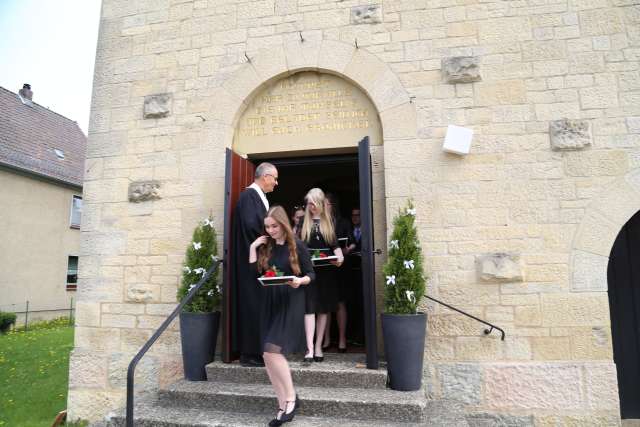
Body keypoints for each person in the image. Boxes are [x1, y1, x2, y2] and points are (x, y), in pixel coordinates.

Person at [249, 206, 314, 426]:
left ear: (283, 224)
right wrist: (253, 247)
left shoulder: (298, 245)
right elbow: (256, 274)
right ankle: (282, 404)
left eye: (274, 226)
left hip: (291, 301)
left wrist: (299, 281)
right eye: (267, 227)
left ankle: (291, 399)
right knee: (267, 356)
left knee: (272, 350)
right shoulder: (266, 247)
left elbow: (311, 274)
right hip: (270, 303)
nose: (270, 230)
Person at [231, 162, 279, 367]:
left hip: (257, 260)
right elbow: (252, 226)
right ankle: (250, 354)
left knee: (260, 306)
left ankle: (259, 350)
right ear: (265, 176)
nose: (276, 183)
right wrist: (272, 239)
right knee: (253, 305)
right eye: (275, 178)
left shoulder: (257, 197)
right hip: (251, 263)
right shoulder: (249, 196)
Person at [300, 188, 344, 363]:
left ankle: (318, 346)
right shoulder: (303, 224)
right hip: (309, 274)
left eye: (312, 203)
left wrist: (339, 258)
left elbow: (336, 248)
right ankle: (309, 348)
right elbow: (299, 248)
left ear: (319, 203)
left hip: (326, 273)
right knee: (309, 310)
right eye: (308, 203)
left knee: (323, 310)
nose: (310, 207)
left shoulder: (328, 224)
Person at [323, 193, 351, 353]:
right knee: (326, 304)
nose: (323, 207)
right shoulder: (319, 223)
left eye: (325, 204)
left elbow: (352, 242)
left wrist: (346, 249)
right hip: (325, 266)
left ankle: (342, 339)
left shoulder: (343, 222)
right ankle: (326, 339)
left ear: (332, 205)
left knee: (340, 303)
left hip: (340, 267)